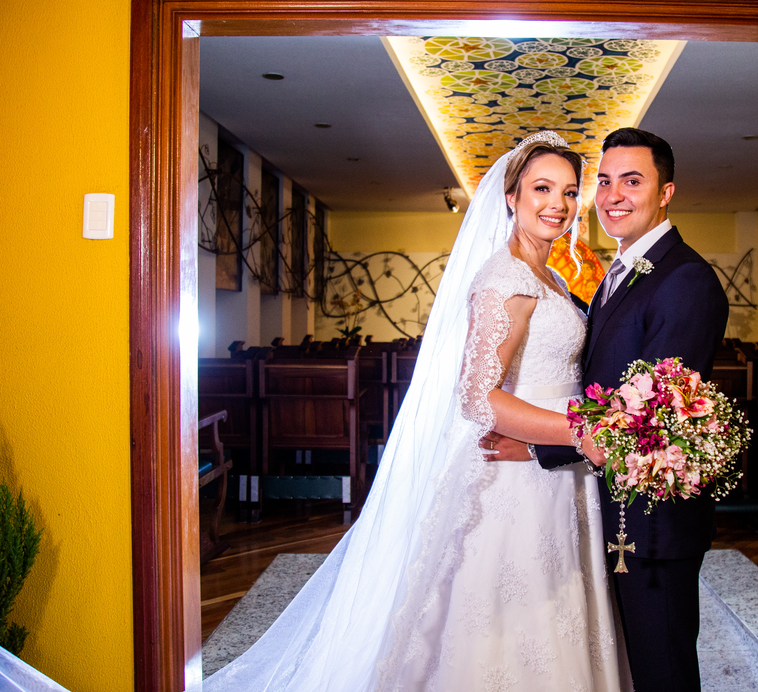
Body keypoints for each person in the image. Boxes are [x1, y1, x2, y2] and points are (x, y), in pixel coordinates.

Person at [203, 131, 629, 692]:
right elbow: (477, 396)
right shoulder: (507, 278)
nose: (559, 204)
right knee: (509, 624)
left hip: (551, 465)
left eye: (570, 192)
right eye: (542, 189)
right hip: (518, 473)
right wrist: (580, 431)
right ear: (511, 197)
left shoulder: (549, 275)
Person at [486, 127, 729, 692]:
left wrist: (539, 446)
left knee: (662, 670)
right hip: (606, 503)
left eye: (633, 181)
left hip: (651, 519)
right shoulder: (620, 271)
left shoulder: (685, 278)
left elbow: (656, 416)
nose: (613, 195)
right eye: (604, 181)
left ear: (666, 192)